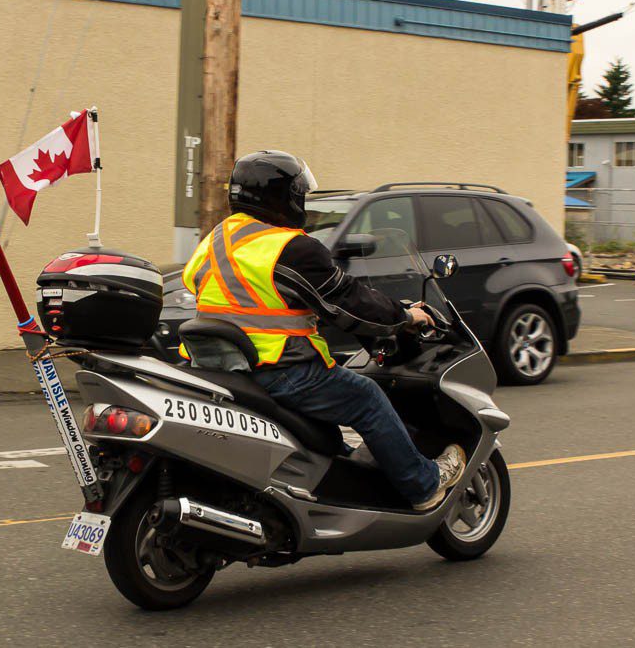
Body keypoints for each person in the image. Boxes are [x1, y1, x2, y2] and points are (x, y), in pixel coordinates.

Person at [181, 150, 465, 510]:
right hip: (279, 371)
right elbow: (347, 301)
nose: (302, 200)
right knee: (367, 397)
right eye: (298, 193)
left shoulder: (215, 241)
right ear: (281, 197)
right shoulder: (289, 248)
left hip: (224, 370)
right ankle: (423, 485)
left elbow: (200, 284)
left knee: (338, 386)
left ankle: (341, 475)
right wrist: (406, 316)